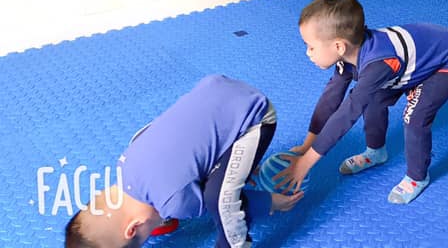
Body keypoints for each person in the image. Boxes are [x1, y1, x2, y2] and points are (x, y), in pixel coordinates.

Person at [274, 0, 448, 205]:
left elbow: (347, 113)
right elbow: (331, 98)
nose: (308, 53)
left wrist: (305, 163)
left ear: (339, 46)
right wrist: (307, 145)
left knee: (414, 118)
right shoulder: (347, 54)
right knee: (373, 99)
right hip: (410, 60)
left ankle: (418, 177)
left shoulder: (378, 64)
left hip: (446, 61)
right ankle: (376, 152)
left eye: (311, 47)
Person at [65, 75, 300, 248]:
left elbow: (223, 201)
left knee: (218, 198)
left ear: (133, 227)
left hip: (255, 116)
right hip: (215, 88)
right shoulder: (125, 164)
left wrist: (266, 202)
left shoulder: (174, 202)